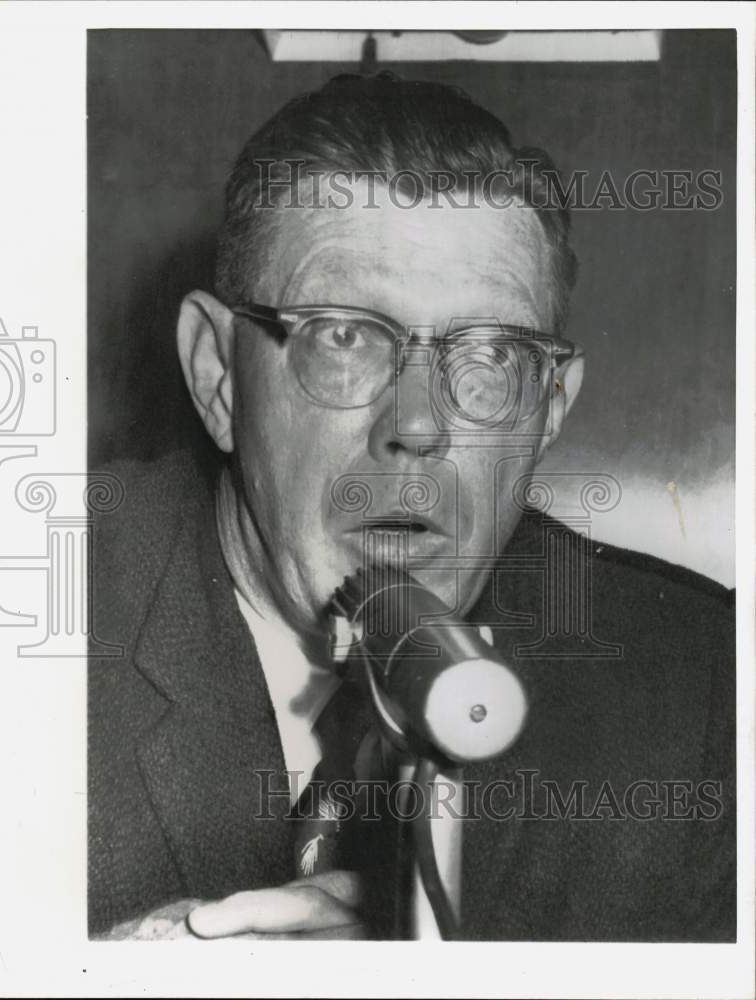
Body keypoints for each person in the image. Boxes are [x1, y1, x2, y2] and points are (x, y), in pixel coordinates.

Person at [88, 73, 735, 941]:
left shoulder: (707, 696)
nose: (419, 427)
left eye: (491, 354)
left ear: (549, 410)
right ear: (218, 375)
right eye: (345, 336)